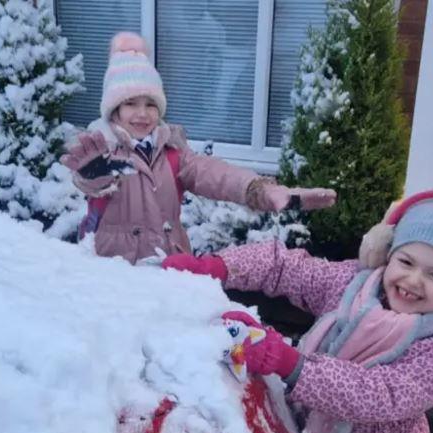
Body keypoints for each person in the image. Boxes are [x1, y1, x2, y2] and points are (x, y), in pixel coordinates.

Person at [161, 172, 433, 433]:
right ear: (385, 253)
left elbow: (376, 395)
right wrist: (218, 266)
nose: (413, 281)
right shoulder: (352, 285)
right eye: (406, 262)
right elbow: (285, 268)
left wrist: (289, 361)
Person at [61, 32, 336, 264]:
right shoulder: (102, 151)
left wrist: (260, 189)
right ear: (114, 109)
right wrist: (93, 175)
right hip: (116, 270)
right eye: (131, 103)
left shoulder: (171, 153)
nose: (142, 114)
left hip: (168, 264)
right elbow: (95, 183)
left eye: (150, 104)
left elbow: (215, 174)